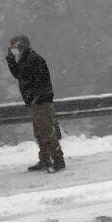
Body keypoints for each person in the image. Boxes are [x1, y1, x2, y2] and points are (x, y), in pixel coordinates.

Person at [6, 35, 66, 172]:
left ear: (21, 45)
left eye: (13, 47)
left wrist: (36, 97)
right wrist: (10, 59)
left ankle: (58, 160)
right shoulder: (24, 59)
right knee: (39, 133)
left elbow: (42, 80)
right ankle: (45, 159)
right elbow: (18, 75)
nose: (12, 49)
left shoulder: (34, 59)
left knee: (46, 132)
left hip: (40, 102)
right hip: (35, 102)